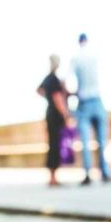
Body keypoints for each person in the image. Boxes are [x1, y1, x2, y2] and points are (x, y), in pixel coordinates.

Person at [70, 33, 111, 185]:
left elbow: (70, 81)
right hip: (97, 99)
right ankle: (104, 172)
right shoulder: (95, 55)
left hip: (84, 101)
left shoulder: (75, 58)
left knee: (85, 141)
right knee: (102, 139)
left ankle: (88, 173)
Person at [37, 54, 73, 186]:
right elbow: (57, 98)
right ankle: (53, 177)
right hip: (55, 115)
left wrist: (48, 98)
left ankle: (52, 176)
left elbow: (39, 90)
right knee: (55, 145)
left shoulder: (47, 79)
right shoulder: (54, 79)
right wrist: (65, 114)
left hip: (49, 113)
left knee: (52, 144)